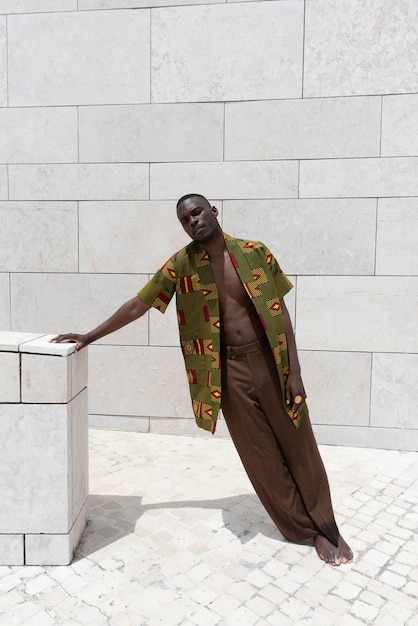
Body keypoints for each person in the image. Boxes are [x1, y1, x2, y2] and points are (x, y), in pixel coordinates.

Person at [52, 193, 353, 566]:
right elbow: (139, 303)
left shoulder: (255, 251)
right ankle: (304, 530)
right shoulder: (181, 265)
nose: (193, 221)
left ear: (213, 211)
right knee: (260, 457)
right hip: (227, 373)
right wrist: (88, 336)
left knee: (300, 446)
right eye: (184, 219)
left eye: (197, 212)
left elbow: (282, 313)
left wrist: (295, 372)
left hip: (272, 363)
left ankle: (328, 527)